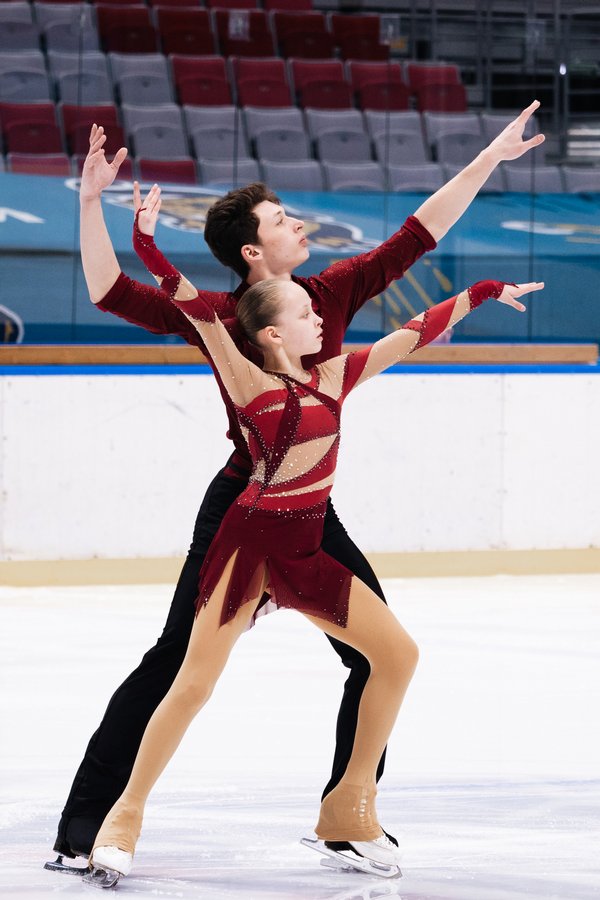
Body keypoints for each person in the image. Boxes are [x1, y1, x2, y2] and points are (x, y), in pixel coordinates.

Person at [52, 104, 545, 865]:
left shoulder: (333, 291)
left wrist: (489, 159)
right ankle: (91, 824)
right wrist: (91, 203)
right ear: (253, 250)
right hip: (241, 502)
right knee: (177, 661)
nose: (300, 223)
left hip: (311, 508)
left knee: (377, 653)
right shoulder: (220, 317)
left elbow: (419, 233)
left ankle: (347, 811)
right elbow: (111, 289)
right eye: (283, 219)